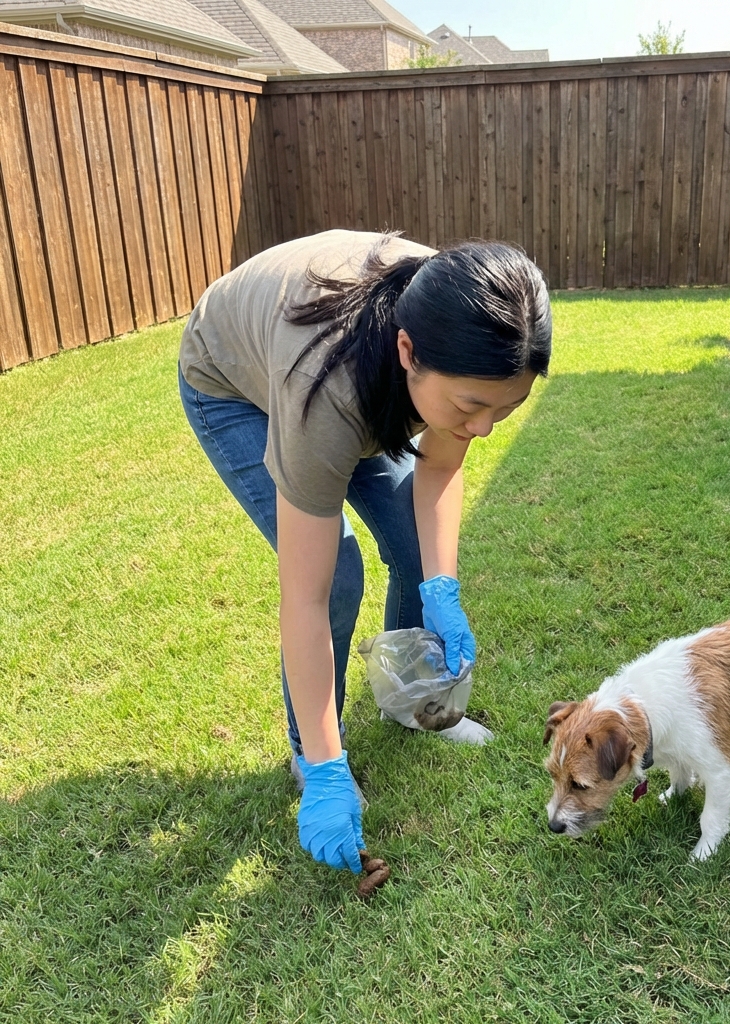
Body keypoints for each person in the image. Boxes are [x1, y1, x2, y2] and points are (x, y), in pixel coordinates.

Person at [178, 230, 552, 874]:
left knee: (415, 543)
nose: (484, 428)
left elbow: (439, 469)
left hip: (358, 379)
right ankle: (314, 754)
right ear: (408, 352)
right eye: (471, 406)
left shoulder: (465, 325)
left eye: (507, 408)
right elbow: (306, 597)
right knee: (339, 574)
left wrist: (441, 587)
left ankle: (409, 701)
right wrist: (328, 770)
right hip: (235, 385)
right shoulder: (325, 392)